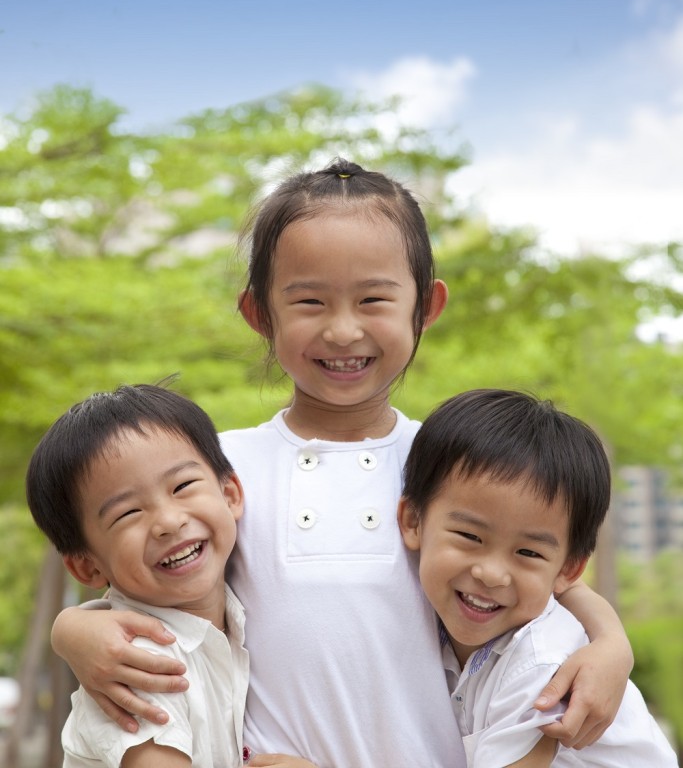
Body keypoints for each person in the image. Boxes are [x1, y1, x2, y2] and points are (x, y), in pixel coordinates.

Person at [52, 161, 634, 768]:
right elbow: (150, 585)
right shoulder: (216, 468)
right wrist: (72, 630)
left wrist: (612, 644)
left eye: (374, 299)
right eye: (309, 301)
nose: (342, 329)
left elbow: (541, 576)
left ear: (425, 306)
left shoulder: (455, 467)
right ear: (259, 313)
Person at [27, 383, 315, 768]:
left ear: (230, 494)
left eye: (182, 486)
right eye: (128, 513)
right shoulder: (138, 663)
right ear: (87, 566)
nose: (167, 521)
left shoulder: (238, 617)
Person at [398, 388, 678, 767]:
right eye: (470, 537)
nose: (492, 574)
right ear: (413, 521)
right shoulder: (429, 621)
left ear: (567, 570)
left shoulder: (542, 664)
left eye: (528, 553)